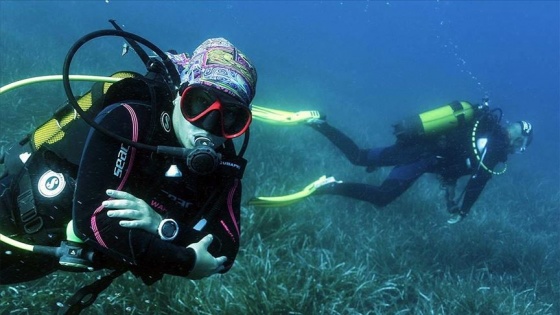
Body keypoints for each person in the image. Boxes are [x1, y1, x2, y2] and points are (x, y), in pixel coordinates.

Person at [0, 37, 257, 285]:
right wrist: (185, 261)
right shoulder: (130, 119)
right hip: (14, 212)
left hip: (45, 256)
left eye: (231, 118)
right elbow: (93, 221)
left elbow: (225, 252)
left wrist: (163, 226)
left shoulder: (223, 164)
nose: (209, 127)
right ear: (180, 94)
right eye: (199, 103)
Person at [306, 101, 533, 224]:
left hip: (416, 146)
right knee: (382, 196)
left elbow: (452, 170)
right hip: (420, 157)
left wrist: (450, 197)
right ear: (518, 140)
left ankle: (318, 123)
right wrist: (463, 211)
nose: (517, 148)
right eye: (521, 144)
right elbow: (477, 182)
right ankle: (328, 186)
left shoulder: (485, 128)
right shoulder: (494, 149)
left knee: (359, 157)